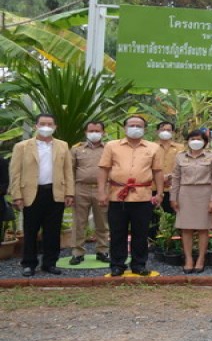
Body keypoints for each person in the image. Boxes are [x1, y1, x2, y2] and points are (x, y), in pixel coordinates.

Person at [9, 114, 75, 277]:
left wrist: (69, 193)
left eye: (49, 124)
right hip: (31, 193)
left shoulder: (62, 146)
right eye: (42, 123)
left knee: (53, 231)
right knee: (30, 230)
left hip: (55, 193)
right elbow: (15, 172)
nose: (46, 127)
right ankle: (29, 263)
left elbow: (68, 171)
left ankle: (50, 263)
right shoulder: (22, 147)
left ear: (55, 127)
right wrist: (17, 195)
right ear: (35, 126)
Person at [98, 115, 163, 276]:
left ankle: (139, 264)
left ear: (145, 129)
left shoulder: (154, 148)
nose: (135, 128)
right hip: (117, 195)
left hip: (142, 196)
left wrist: (160, 193)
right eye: (131, 125)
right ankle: (117, 264)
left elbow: (157, 171)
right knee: (117, 232)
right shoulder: (111, 146)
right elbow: (104, 169)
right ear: (125, 128)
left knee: (140, 232)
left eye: (138, 126)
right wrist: (101, 192)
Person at [171, 130, 212, 274]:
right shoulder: (180, 157)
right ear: (188, 141)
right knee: (186, 228)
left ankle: (201, 258)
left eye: (199, 139)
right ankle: (188, 259)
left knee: (203, 228)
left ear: (204, 141)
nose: (196, 141)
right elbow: (175, 178)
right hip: (185, 194)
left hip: (204, 193)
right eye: (192, 138)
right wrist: (173, 197)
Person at [69, 121, 110, 265]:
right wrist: (70, 192)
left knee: (102, 222)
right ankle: (77, 253)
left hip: (103, 189)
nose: (94, 133)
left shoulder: (109, 148)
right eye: (91, 130)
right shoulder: (77, 149)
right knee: (79, 222)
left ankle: (102, 251)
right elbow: (70, 171)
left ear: (103, 132)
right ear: (86, 132)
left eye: (97, 131)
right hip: (81, 188)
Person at [149, 121, 184, 241]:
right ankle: (152, 241)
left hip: (173, 188)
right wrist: (158, 177)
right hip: (153, 187)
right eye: (163, 129)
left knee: (173, 215)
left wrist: (171, 176)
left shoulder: (181, 148)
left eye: (169, 130)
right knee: (153, 217)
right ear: (157, 131)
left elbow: (184, 166)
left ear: (173, 132)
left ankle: (173, 241)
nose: (166, 132)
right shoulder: (150, 147)